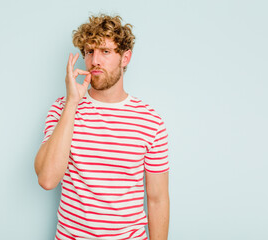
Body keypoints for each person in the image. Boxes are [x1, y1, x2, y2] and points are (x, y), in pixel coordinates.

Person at [34, 14, 170, 240]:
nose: (94, 60)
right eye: (89, 51)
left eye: (105, 51)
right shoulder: (62, 108)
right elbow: (47, 179)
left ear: (125, 57)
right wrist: (72, 103)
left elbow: (157, 199)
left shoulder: (150, 121)